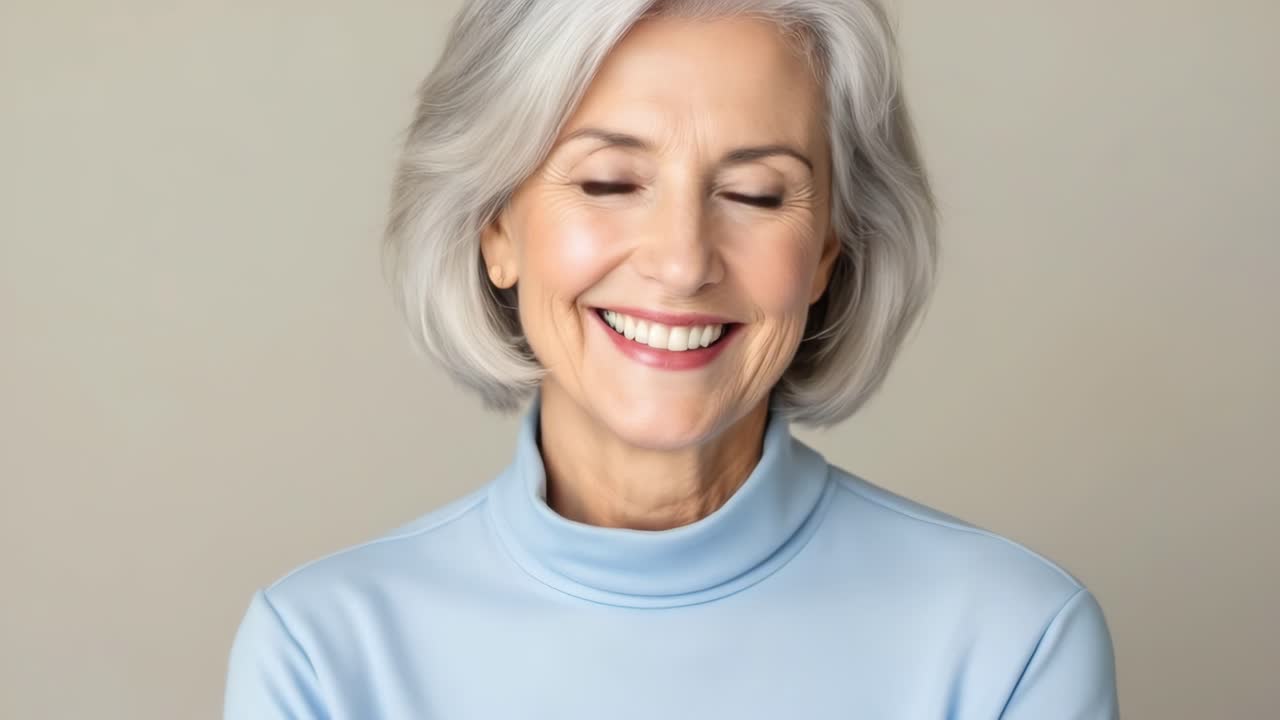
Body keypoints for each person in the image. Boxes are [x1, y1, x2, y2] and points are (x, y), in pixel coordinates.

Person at [224, 1, 1120, 717]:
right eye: (609, 182)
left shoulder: (1012, 642)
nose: (683, 261)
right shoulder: (325, 654)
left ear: (827, 254)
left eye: (755, 193)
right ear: (495, 228)